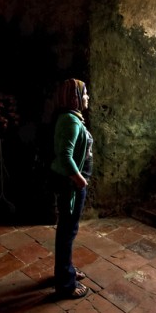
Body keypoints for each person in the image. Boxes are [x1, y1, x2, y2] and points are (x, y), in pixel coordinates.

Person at [51, 78, 93, 299]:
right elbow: (65, 157)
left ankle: (65, 270)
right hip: (71, 185)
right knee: (68, 232)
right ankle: (66, 284)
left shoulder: (70, 117)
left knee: (67, 230)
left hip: (70, 184)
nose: (88, 97)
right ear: (74, 97)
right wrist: (80, 180)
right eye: (84, 93)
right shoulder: (71, 121)